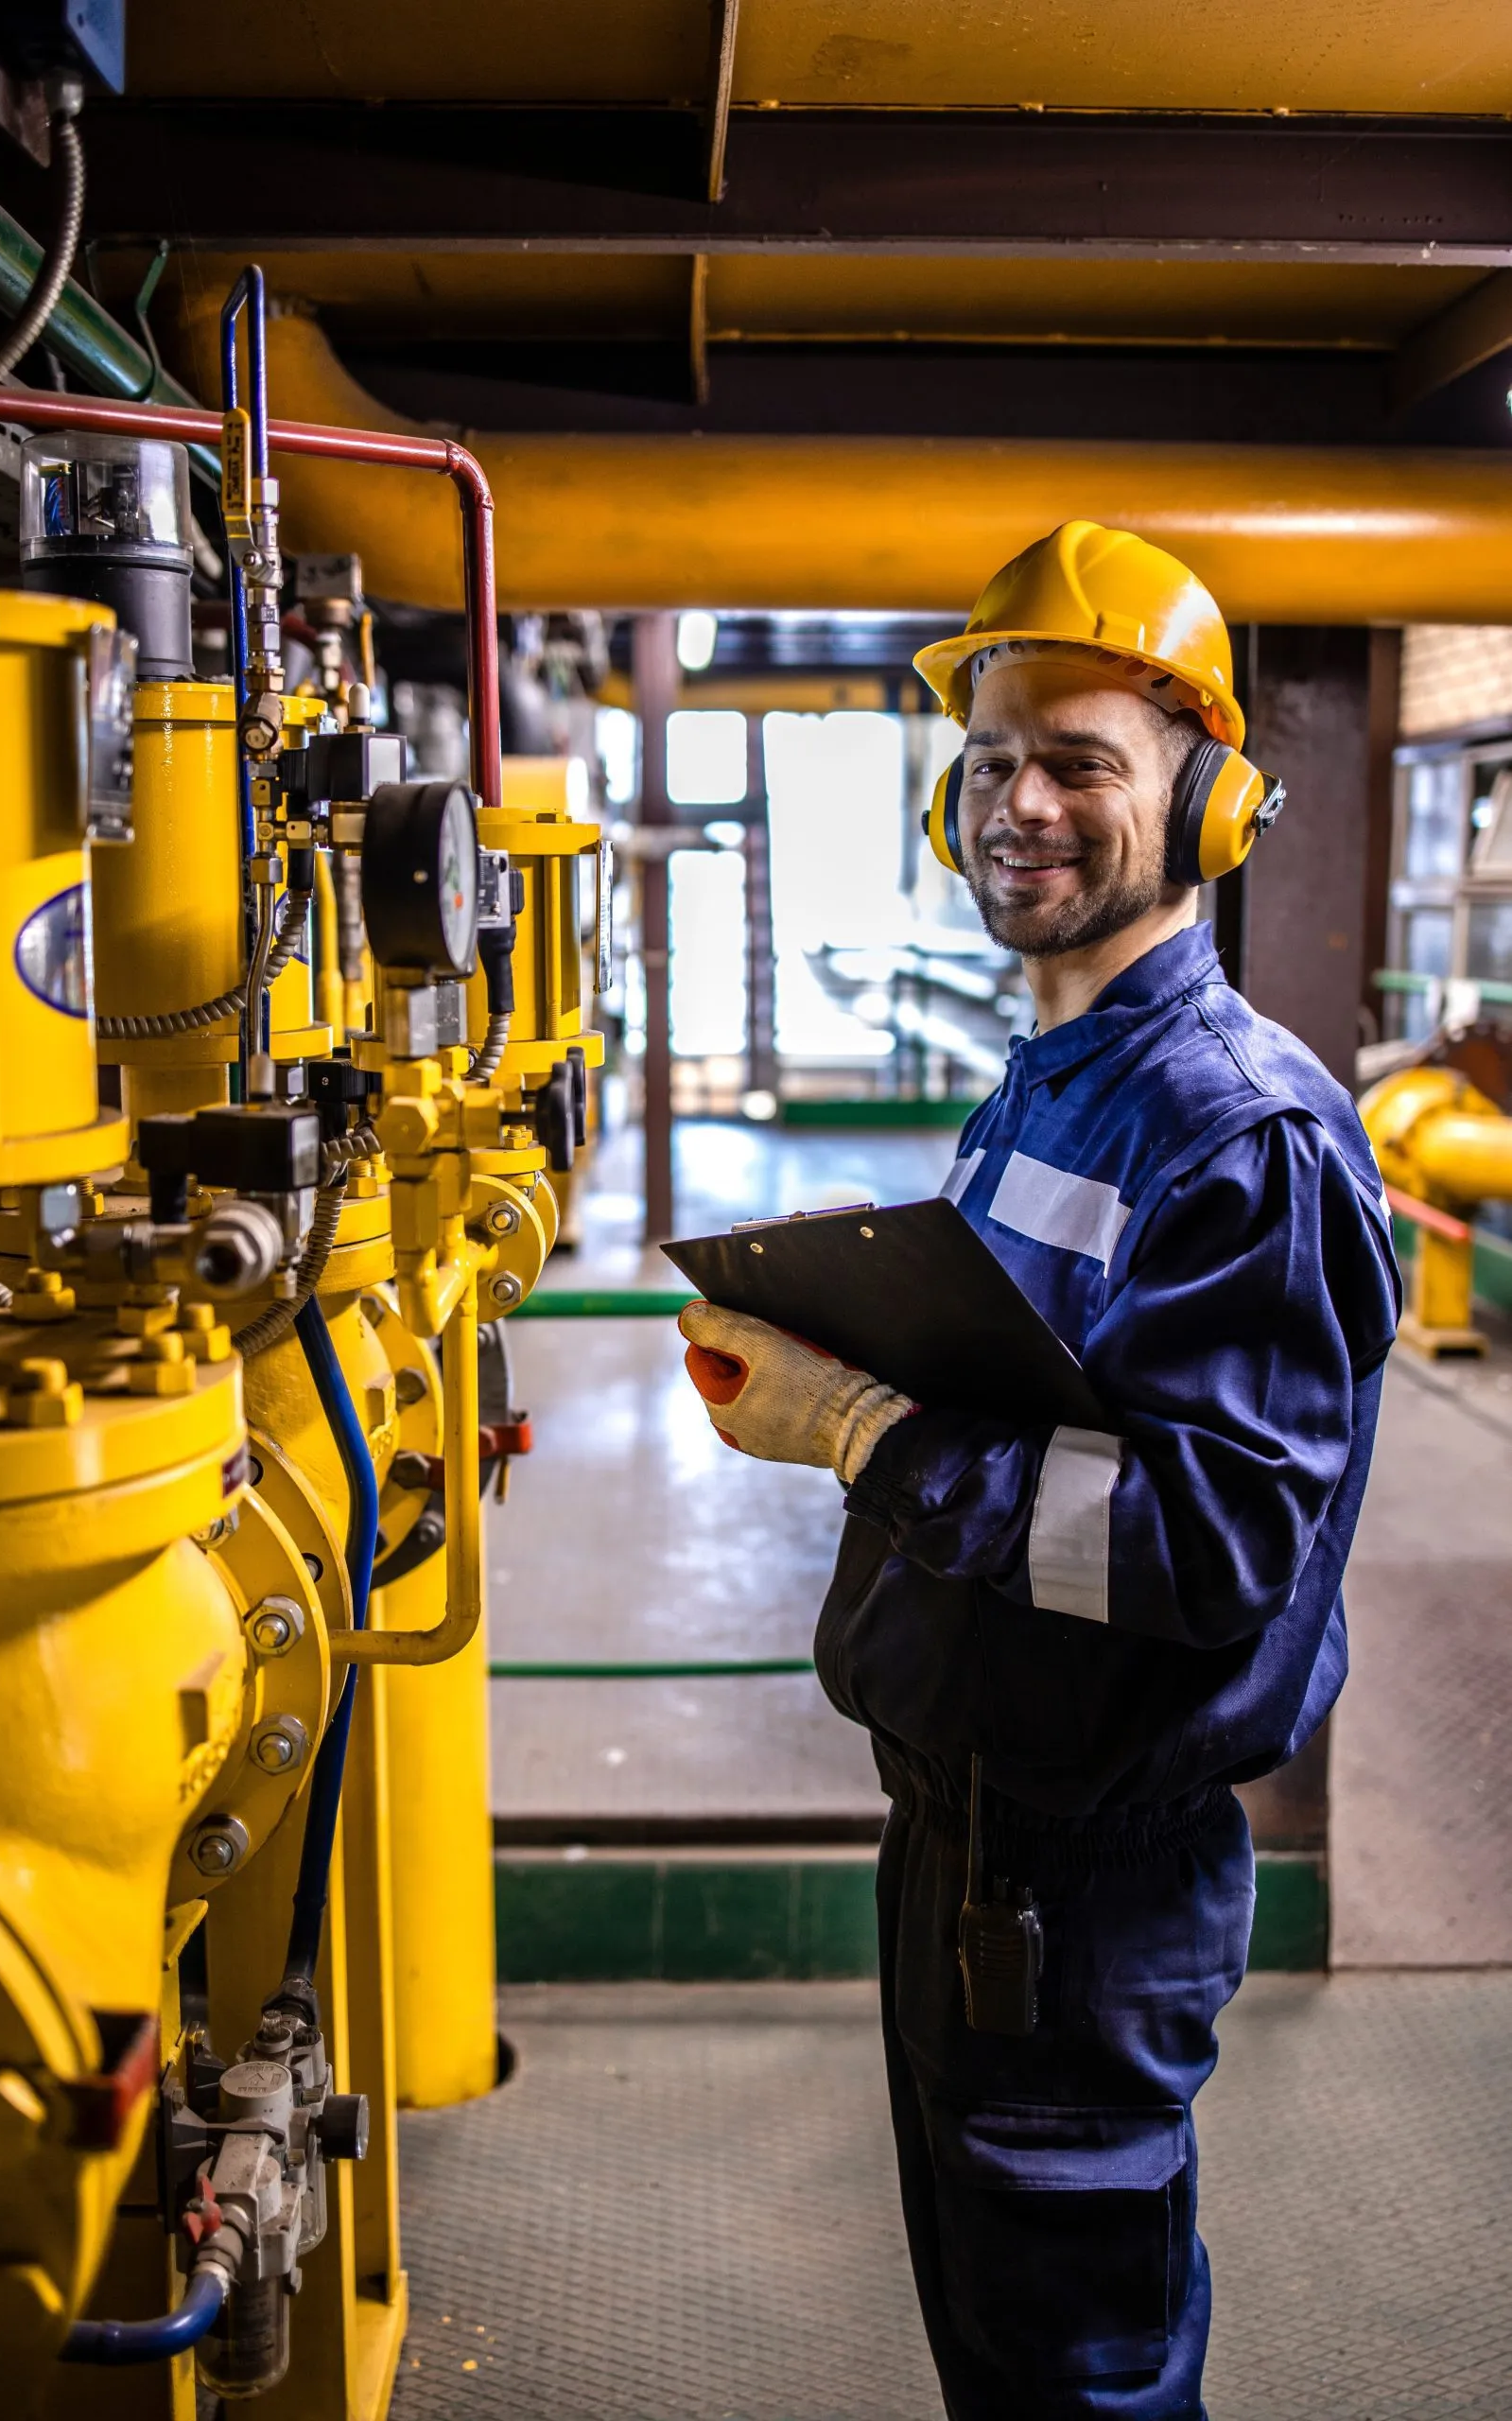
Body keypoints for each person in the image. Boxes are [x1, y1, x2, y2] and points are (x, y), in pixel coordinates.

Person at [678, 521, 1399, 2420]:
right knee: (1000, 2348)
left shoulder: (1238, 1133)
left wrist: (857, 1432)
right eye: (993, 759)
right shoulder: (1051, 1073)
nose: (1020, 801)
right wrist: (854, 1346)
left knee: (1073, 2373)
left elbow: (1205, 1548)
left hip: (1083, 1874)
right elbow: (1034, 1393)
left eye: (1079, 758)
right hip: (963, 1822)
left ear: (1212, 800)